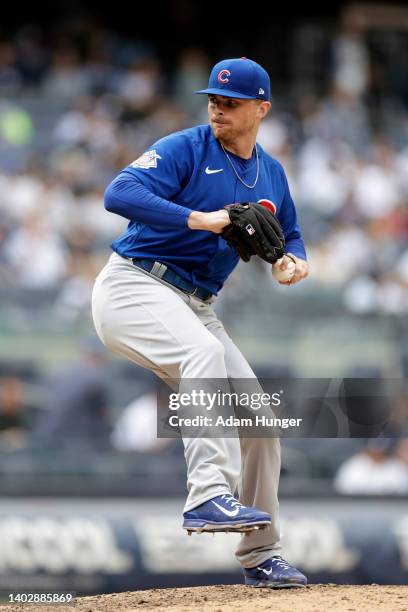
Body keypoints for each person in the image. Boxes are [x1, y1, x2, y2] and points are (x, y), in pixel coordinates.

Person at [92, 57, 309, 588]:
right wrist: (199, 218)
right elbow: (117, 194)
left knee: (260, 424)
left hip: (194, 303)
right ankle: (208, 494)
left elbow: (293, 232)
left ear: (262, 109)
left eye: (230, 102)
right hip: (135, 284)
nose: (217, 107)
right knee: (202, 355)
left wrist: (293, 260)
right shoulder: (185, 147)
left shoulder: (271, 172)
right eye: (213, 98)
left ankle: (261, 555)